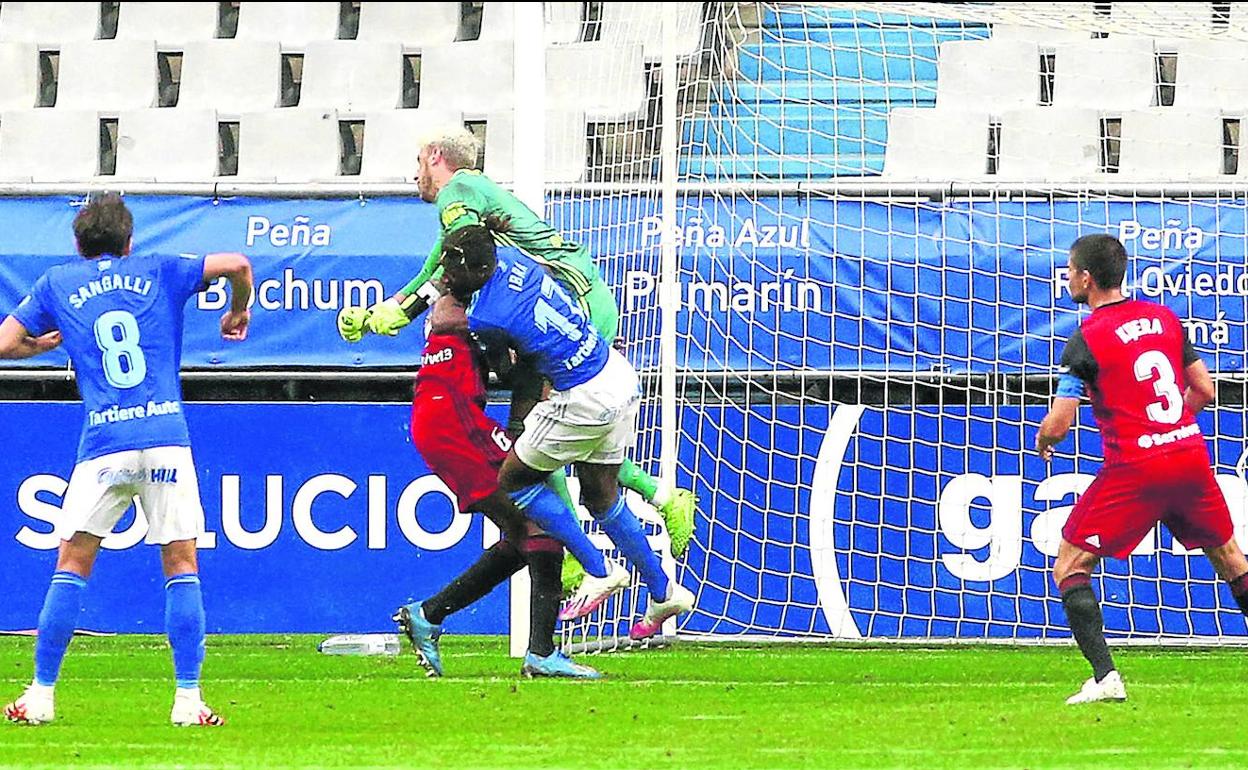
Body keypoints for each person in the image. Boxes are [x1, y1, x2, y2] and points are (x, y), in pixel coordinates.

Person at [336, 128, 696, 572]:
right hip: (579, 296)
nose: (414, 177)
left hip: (569, 303)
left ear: (434, 156)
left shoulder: (458, 192)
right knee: (546, 435)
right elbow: (442, 263)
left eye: (417, 164)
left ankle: (576, 559)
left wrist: (397, 313)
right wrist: (386, 311)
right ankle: (653, 502)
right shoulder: (475, 197)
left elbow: (460, 261)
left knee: (538, 434)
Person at [0, 193, 253, 726]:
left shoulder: (56, 282)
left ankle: (41, 696)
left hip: (104, 444)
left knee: (72, 564)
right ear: (129, 240)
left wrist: (44, 346)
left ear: (77, 242)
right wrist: (237, 308)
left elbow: (3, 344)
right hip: (165, 436)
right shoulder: (161, 270)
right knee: (181, 565)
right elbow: (238, 264)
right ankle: (188, 701)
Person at [432, 221, 695, 640]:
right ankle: (664, 591)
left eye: (451, 269)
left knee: (514, 479)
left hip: (584, 395)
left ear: (474, 269)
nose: (445, 277)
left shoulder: (486, 317)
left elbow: (490, 357)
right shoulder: (518, 260)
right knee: (600, 493)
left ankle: (599, 569)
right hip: (616, 373)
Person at [1036, 233, 1248, 705]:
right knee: (1231, 559)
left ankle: (1105, 677)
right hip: (1189, 455)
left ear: (1086, 279)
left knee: (1071, 563)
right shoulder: (1164, 319)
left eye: (1070, 271)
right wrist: (1171, 430)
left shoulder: (1085, 338)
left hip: (1136, 466)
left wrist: (1045, 438)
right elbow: (1205, 391)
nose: (1067, 277)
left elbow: (1061, 419)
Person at [394, 293, 602, 678]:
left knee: (524, 533)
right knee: (540, 529)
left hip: (450, 419)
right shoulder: (460, 303)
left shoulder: (477, 303)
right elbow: (448, 318)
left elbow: (504, 369)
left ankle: (430, 614)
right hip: (452, 423)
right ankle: (540, 653)